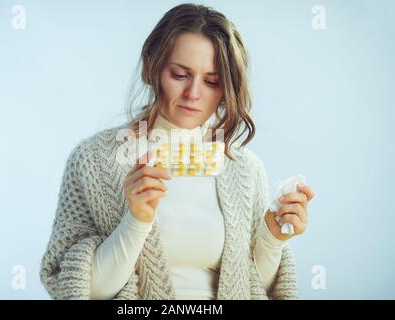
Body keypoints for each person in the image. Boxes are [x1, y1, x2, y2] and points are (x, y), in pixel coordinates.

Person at [40, 3, 314, 300]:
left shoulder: (244, 169)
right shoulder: (94, 159)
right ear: (150, 67)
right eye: (180, 75)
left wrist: (271, 240)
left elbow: (254, 286)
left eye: (212, 81)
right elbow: (78, 290)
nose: (193, 94)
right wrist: (135, 221)